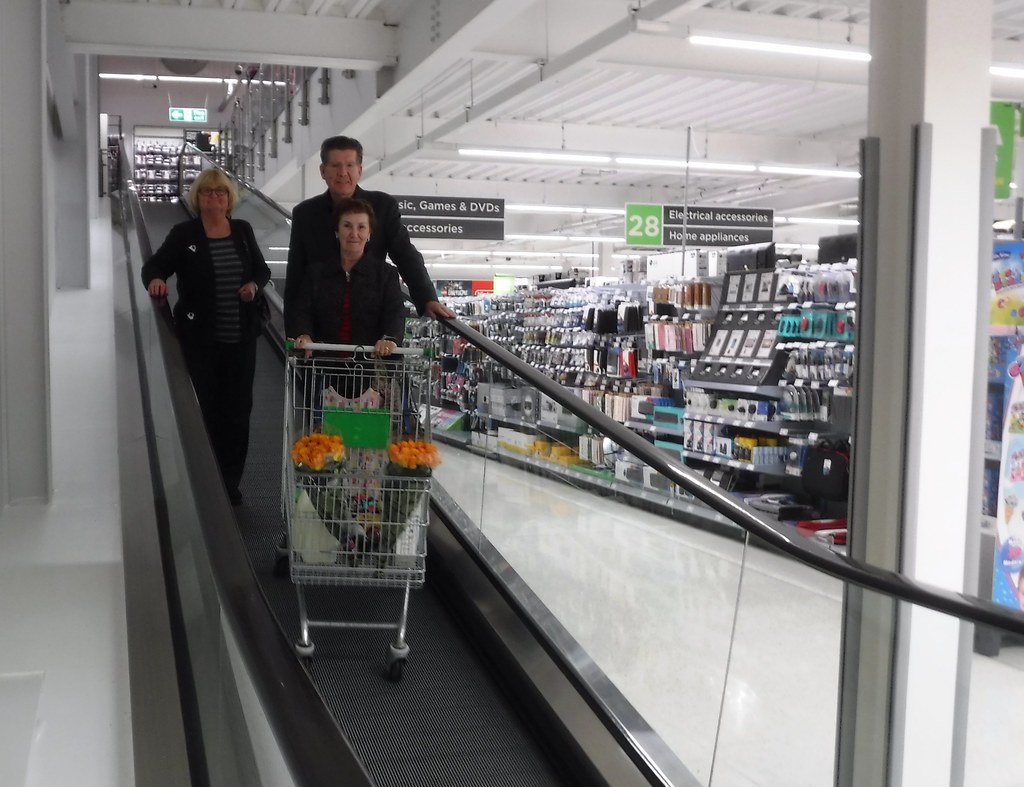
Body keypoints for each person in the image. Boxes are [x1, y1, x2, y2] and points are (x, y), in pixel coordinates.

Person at [141, 168, 272, 505]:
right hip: (200, 339)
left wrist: (253, 286)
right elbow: (154, 266)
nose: (214, 198)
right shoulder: (184, 234)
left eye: (221, 192)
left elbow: (261, 269)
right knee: (206, 411)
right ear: (197, 198)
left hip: (240, 339)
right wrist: (156, 280)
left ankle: (229, 482)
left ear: (230, 198)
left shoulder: (241, 231)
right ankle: (201, 478)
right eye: (207, 192)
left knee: (238, 411)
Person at [284, 135, 454, 338]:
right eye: (335, 166)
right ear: (323, 171)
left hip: (369, 326)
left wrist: (427, 297)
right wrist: (294, 332)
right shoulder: (305, 213)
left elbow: (405, 254)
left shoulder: (382, 206)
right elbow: (295, 273)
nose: (343, 173)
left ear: (360, 170)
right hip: (320, 330)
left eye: (349, 165)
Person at [289, 197, 406, 357]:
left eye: (361, 227)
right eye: (347, 226)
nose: (354, 234)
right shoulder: (316, 274)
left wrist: (390, 338)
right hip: (323, 367)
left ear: (369, 233)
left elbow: (395, 313)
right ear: (337, 231)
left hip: (370, 368)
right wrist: (303, 333)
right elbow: (302, 312)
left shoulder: (386, 275)